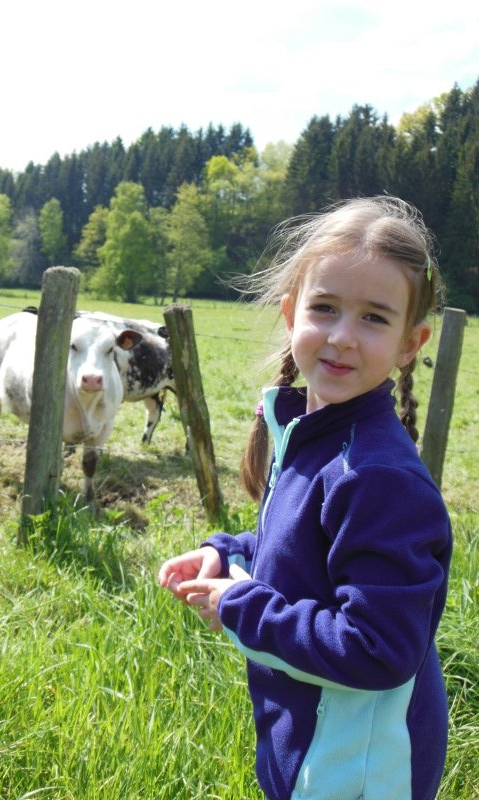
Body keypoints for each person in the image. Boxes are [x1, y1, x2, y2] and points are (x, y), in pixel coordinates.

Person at [159, 196, 452, 800]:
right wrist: (228, 553)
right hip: (312, 747)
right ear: (292, 313)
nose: (342, 337)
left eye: (374, 318)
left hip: (358, 772)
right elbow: (300, 549)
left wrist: (240, 605)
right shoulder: (314, 437)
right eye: (325, 308)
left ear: (410, 343)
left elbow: (378, 649)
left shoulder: (377, 477)